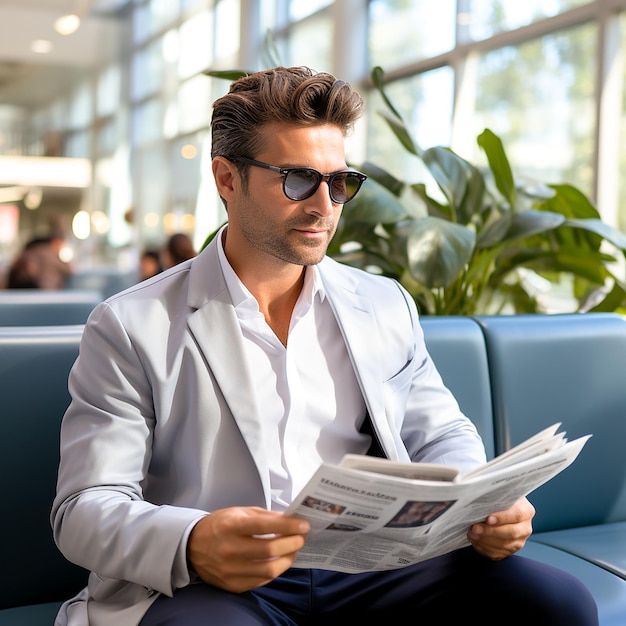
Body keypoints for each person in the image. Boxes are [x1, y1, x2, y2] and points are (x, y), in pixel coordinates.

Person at [51, 66, 598, 625]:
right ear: (226, 179)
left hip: (371, 567)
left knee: (561, 605)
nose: (324, 206)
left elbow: (440, 432)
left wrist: (481, 505)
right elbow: (82, 509)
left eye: (338, 182)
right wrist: (193, 539)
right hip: (221, 582)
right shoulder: (129, 324)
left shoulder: (384, 304)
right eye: (296, 179)